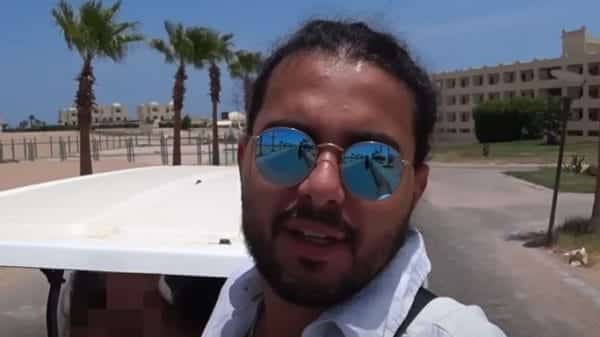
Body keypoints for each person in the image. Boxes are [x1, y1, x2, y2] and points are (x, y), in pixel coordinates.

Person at [201, 19, 507, 337]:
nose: (321, 187)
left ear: (415, 189)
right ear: (243, 161)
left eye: (373, 161)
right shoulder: (234, 300)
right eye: (288, 148)